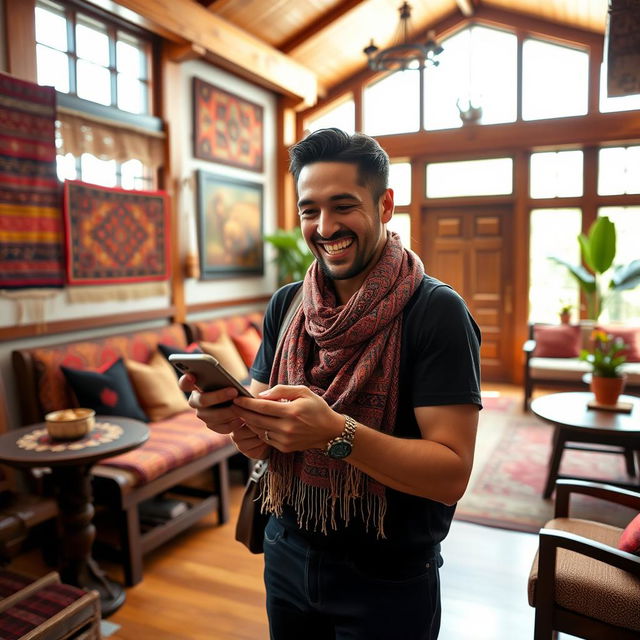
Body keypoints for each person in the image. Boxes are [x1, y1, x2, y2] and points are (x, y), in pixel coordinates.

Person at [181, 127, 482, 640]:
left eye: (343, 206)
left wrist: (332, 433)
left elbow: (451, 474)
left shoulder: (436, 313)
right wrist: (232, 419)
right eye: (308, 210)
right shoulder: (287, 304)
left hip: (388, 576)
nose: (324, 226)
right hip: (285, 552)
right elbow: (259, 435)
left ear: (385, 204)